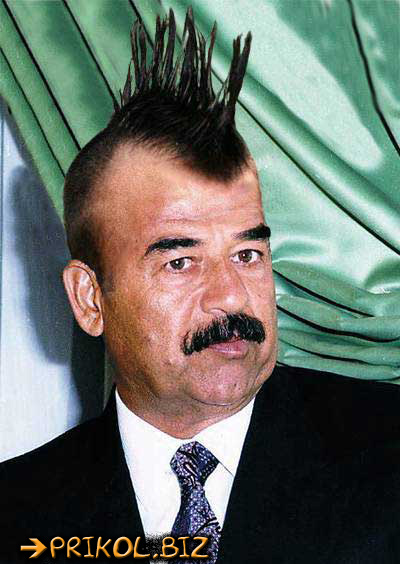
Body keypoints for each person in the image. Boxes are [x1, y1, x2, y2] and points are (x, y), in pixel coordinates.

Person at [1, 8, 400, 564]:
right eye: (181, 262)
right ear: (89, 299)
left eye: (247, 254)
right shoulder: (17, 517)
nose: (232, 296)